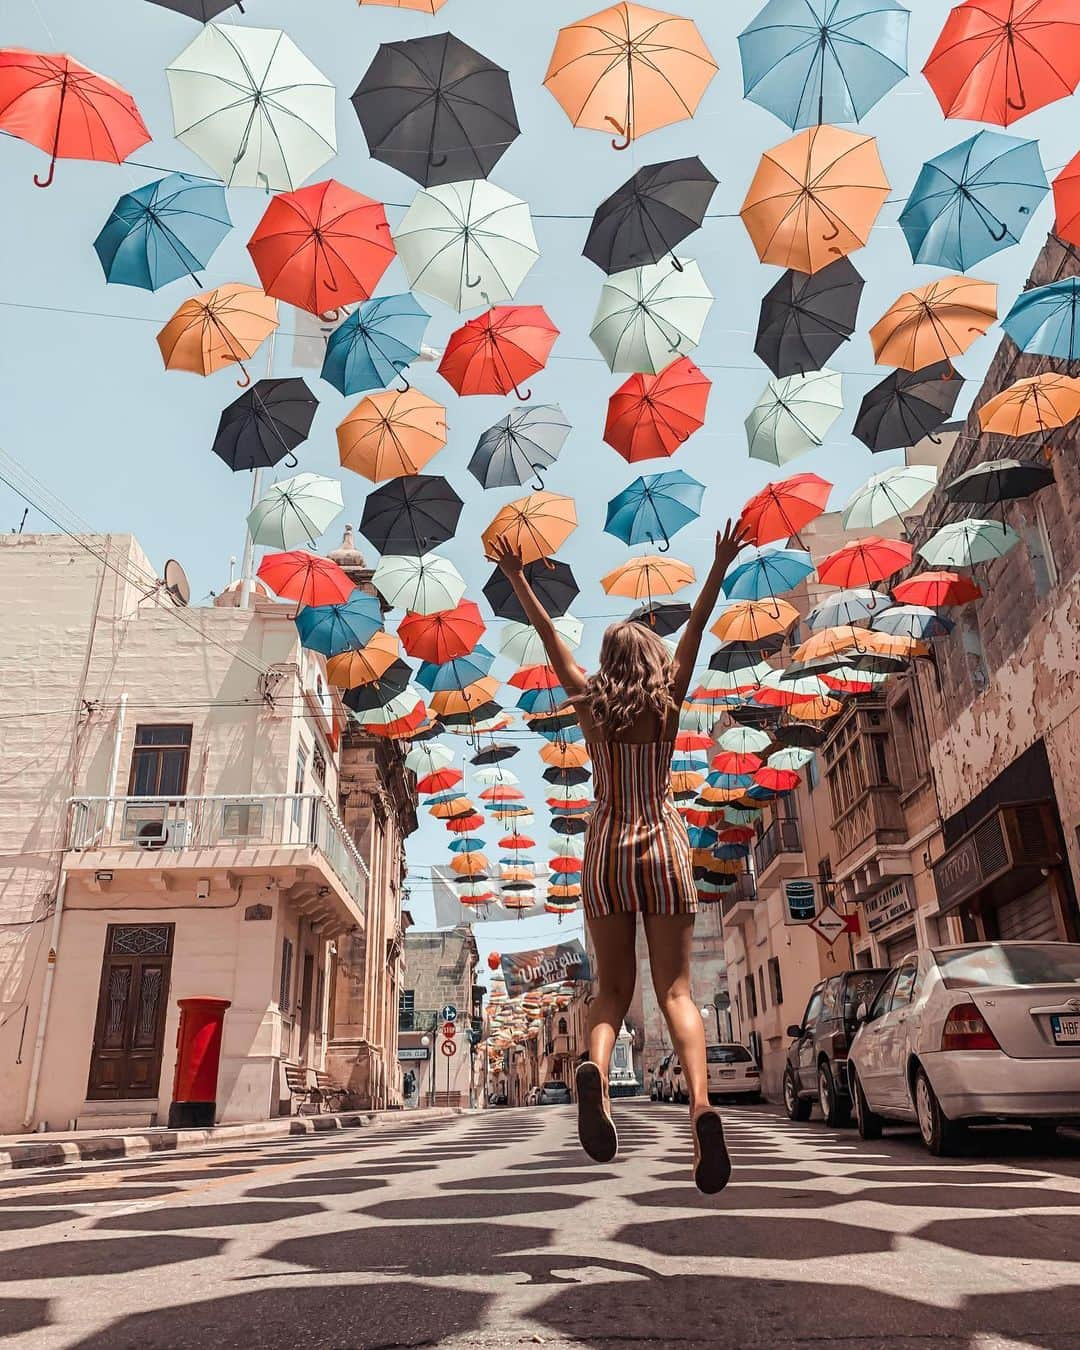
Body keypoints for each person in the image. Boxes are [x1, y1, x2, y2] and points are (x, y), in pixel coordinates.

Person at [488, 519, 750, 1194]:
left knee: (611, 991)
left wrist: (519, 576)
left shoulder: (591, 706)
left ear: (607, 662)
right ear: (654, 662)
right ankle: (700, 1107)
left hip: (605, 848)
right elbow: (693, 631)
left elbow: (549, 640)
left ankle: (597, 1076)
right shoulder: (667, 706)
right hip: (663, 842)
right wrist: (718, 564)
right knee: (676, 992)